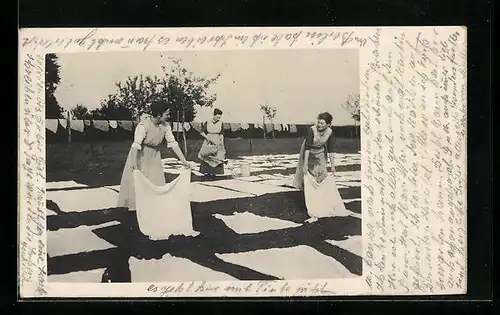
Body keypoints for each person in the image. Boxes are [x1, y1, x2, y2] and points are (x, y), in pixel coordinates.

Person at [117, 101, 192, 211]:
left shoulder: (166, 126)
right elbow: (136, 145)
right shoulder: (143, 126)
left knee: (155, 182)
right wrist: (134, 162)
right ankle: (137, 209)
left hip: (155, 156)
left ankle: (152, 207)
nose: (169, 116)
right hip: (140, 156)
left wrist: (184, 160)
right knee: (139, 182)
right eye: (167, 114)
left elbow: (173, 144)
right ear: (159, 114)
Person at [292, 111, 351, 223]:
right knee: (310, 177)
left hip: (320, 154)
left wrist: (333, 166)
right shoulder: (312, 130)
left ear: (328, 124)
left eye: (322, 123)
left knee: (322, 177)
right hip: (308, 154)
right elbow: (307, 148)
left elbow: (331, 150)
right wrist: (304, 164)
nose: (319, 125)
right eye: (318, 122)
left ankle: (322, 202)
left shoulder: (330, 132)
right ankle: (312, 201)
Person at [197, 108, 227, 177]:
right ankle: (206, 171)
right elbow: (201, 132)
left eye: (219, 117)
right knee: (207, 155)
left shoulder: (221, 123)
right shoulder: (208, 122)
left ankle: (215, 172)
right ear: (214, 115)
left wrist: (222, 144)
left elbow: (221, 134)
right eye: (217, 117)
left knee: (217, 156)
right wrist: (208, 138)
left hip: (217, 140)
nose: (218, 118)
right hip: (208, 140)